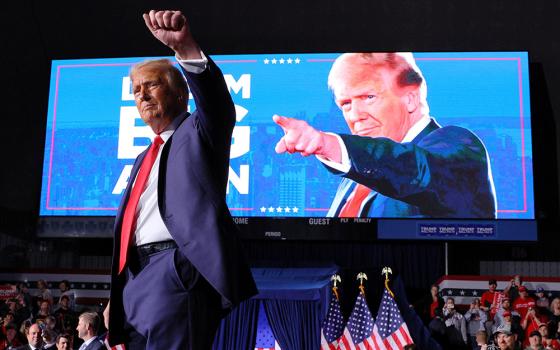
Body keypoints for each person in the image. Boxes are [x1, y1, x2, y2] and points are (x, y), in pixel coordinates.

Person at [104, 9, 257, 350]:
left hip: (173, 268)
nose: (141, 95)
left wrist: (186, 49)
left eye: (152, 85)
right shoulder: (145, 157)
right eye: (135, 90)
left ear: (178, 94)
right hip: (135, 278)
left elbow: (217, 105)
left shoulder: (199, 132)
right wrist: (121, 292)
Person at [272, 52, 497, 218]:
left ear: (411, 98)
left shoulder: (456, 145)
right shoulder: (355, 174)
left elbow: (416, 170)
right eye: (346, 104)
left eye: (369, 97)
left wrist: (327, 144)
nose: (356, 115)